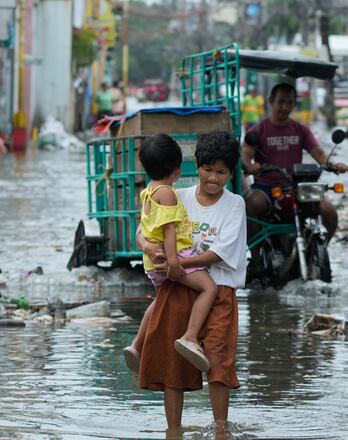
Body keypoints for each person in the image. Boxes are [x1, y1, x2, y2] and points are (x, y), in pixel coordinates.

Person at [135, 131, 246, 434]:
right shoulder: (176, 195)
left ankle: (220, 428)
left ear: (230, 172)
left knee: (219, 362)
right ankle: (174, 430)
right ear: (195, 166)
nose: (213, 178)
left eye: (221, 172)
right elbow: (143, 230)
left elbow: (218, 253)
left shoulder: (235, 205)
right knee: (174, 364)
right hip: (179, 288)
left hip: (219, 290)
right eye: (207, 169)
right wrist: (148, 248)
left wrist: (177, 263)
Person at [123, 134, 219, 373]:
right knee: (209, 288)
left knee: (159, 301)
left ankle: (136, 345)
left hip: (151, 262)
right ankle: (190, 336)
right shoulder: (167, 193)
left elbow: (145, 226)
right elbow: (169, 231)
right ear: (177, 167)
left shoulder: (148, 191)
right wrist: (176, 264)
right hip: (171, 258)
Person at [241, 83, 348, 258]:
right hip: (267, 187)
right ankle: (256, 257)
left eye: (289, 102)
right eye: (280, 102)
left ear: (294, 104)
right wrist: (251, 166)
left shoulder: (301, 129)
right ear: (271, 102)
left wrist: (334, 165)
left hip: (296, 187)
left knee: (329, 211)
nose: (284, 107)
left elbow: (319, 153)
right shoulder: (258, 130)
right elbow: (246, 155)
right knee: (251, 204)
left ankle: (318, 253)